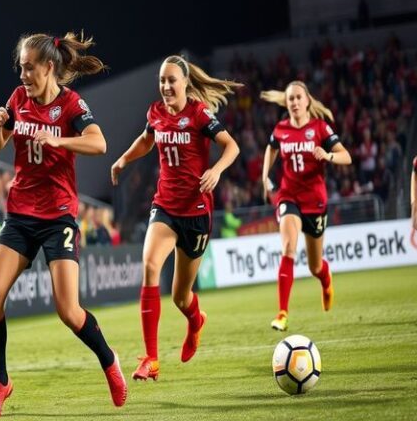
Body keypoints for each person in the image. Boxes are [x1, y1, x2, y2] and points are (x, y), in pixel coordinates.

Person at [0, 33, 125, 417]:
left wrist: (60, 141)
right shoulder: (18, 98)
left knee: (68, 311)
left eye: (29, 68)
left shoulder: (71, 104)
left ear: (48, 67)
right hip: (20, 214)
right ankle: (0, 383)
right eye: (21, 67)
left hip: (58, 215)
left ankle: (109, 359)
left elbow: (99, 143)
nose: (23, 74)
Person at [111, 55, 241, 381]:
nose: (166, 86)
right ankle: (151, 359)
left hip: (196, 213)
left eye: (172, 80)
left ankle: (196, 321)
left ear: (185, 82)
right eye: (162, 80)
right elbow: (146, 140)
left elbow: (231, 147)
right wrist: (123, 160)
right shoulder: (155, 113)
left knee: (180, 296)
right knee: (150, 265)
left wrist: (216, 170)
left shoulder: (199, 114)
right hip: (165, 207)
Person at [260, 81, 352, 331]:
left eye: (298, 97)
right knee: (288, 248)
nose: (294, 102)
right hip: (289, 196)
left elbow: (346, 156)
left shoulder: (320, 128)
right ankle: (282, 313)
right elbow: (271, 149)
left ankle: (325, 279)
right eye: (290, 98)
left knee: (315, 266)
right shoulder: (281, 129)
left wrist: (328, 155)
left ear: (308, 100)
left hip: (315, 200)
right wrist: (265, 176)